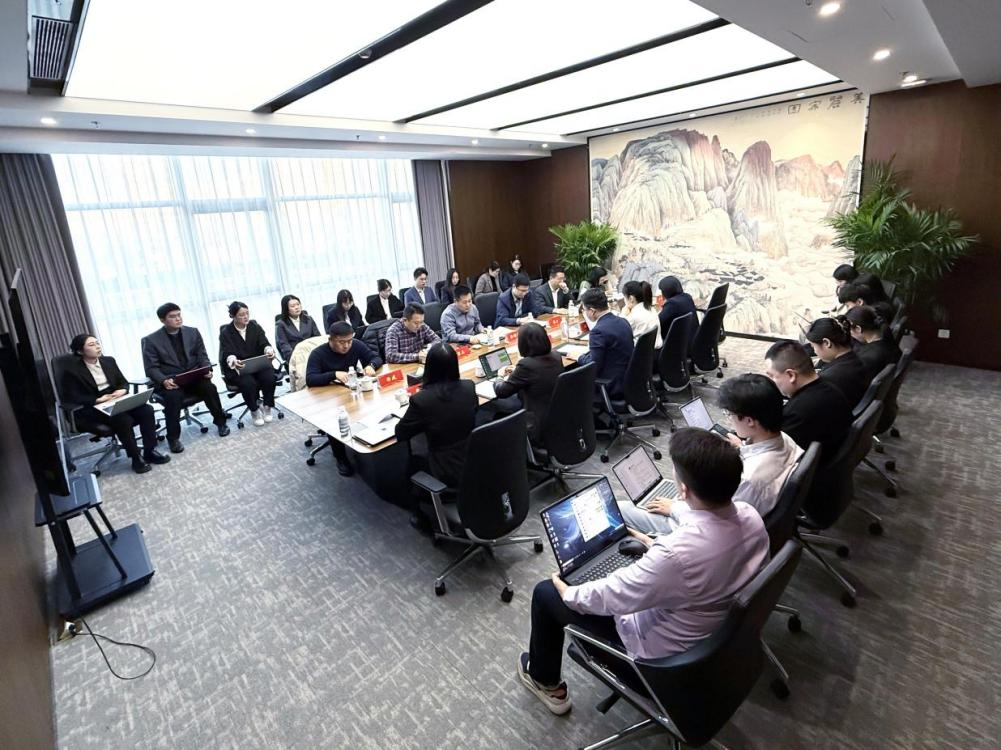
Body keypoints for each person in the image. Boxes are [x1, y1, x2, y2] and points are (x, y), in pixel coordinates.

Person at [517, 428, 769, 715]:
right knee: (630, 555)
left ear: (684, 489)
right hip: (715, 641)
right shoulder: (750, 515)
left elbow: (612, 595)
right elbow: (703, 528)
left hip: (661, 667)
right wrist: (652, 540)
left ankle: (545, 682)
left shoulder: (675, 556)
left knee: (546, 593)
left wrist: (569, 592)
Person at [619, 374, 801, 533]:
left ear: (749, 421)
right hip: (751, 515)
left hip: (702, 529)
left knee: (624, 508)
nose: (728, 420)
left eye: (729, 414)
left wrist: (674, 508)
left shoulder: (749, 479)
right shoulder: (786, 439)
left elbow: (717, 518)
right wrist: (741, 447)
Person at [62, 334, 170, 474]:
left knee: (147, 410)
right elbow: (72, 396)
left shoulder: (109, 361)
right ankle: (136, 457)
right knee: (123, 419)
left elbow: (123, 382)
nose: (97, 346)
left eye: (97, 343)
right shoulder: (71, 371)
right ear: (80, 351)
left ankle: (150, 451)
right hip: (93, 406)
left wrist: (122, 390)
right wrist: (97, 400)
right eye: (91, 345)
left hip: (115, 399)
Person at [142, 303, 230, 453]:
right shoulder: (151, 340)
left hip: (193, 376)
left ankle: (221, 422)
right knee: (173, 397)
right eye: (172, 316)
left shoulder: (192, 332)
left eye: (179, 315)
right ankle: (173, 438)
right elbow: (151, 368)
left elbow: (202, 355)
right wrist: (164, 380)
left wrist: (206, 369)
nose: (178, 319)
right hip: (172, 381)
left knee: (209, 387)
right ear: (162, 320)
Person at [305, 322, 384, 476]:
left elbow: (375, 357)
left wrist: (371, 366)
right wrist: (334, 374)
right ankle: (341, 458)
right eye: (342, 342)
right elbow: (310, 379)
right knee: (336, 422)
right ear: (331, 340)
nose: (347, 345)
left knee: (372, 405)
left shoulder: (356, 345)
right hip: (327, 399)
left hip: (350, 392)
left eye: (349, 341)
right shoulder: (318, 353)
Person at [395, 343, 478, 489]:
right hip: (473, 457)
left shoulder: (421, 400)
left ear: (429, 367)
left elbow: (401, 433)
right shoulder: (469, 386)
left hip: (444, 468)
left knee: (412, 461)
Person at [764, 340, 852, 462]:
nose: (772, 382)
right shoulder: (831, 387)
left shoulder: (798, 411)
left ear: (791, 375)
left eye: (772, 376)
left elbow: (772, 455)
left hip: (814, 468)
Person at [493, 322, 565, 441]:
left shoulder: (526, 365)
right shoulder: (556, 356)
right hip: (556, 413)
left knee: (488, 405)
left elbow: (501, 392)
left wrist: (499, 377)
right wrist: (517, 371)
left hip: (536, 420)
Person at [219, 301, 278, 427]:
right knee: (248, 382)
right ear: (233, 316)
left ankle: (267, 406)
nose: (246, 317)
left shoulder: (255, 327)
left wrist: (269, 350)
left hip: (258, 365)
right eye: (241, 315)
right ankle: (254, 410)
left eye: (247, 313)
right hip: (239, 368)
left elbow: (264, 343)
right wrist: (233, 361)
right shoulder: (226, 332)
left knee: (269, 376)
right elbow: (228, 352)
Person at [576, 288, 634, 400]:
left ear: (592, 311)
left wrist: (579, 357)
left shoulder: (598, 331)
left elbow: (594, 366)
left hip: (611, 384)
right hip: (629, 378)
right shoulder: (623, 321)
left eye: (584, 310)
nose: (585, 313)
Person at [805, 316, 870, 408]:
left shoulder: (828, 379)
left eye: (813, 347)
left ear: (827, 343)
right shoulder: (858, 357)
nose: (814, 351)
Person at [846, 305, 901, 379]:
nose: (851, 335)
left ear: (858, 329)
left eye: (850, 331)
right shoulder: (885, 331)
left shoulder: (867, 358)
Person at [275, 294, 321, 363]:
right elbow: (284, 346)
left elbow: (317, 338)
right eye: (293, 306)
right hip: (296, 358)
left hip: (313, 354)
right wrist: (294, 360)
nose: (297, 307)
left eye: (298, 304)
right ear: (286, 309)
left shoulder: (309, 319)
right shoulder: (281, 324)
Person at [621, 279, 661, 347]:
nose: (624, 301)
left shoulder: (634, 316)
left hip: (640, 351)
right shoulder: (651, 309)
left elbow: (618, 329)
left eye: (624, 297)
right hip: (655, 349)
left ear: (631, 298)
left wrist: (623, 314)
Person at [658, 276, 697, 341]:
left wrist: (661, 309)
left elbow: (658, 321)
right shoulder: (687, 297)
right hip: (692, 339)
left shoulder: (672, 304)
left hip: (677, 342)